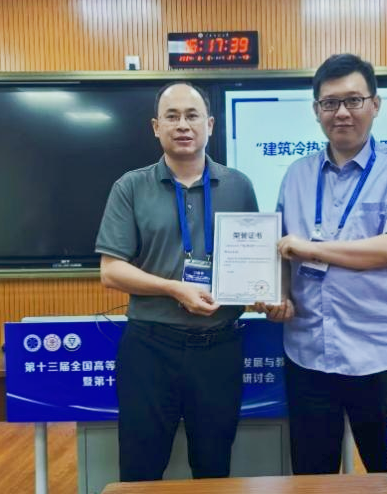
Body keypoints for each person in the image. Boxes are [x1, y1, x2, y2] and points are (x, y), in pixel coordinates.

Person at [258, 54, 387, 474]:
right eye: (330, 103)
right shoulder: (296, 175)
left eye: (353, 100)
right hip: (309, 353)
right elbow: (280, 250)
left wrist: (312, 249)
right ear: (316, 110)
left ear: (375, 104)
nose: (341, 113)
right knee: (311, 475)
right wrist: (279, 294)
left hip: (382, 353)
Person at [95, 81, 258, 481]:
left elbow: (254, 261)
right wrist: (173, 288)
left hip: (219, 347)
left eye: (192, 116)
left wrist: (264, 291)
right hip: (151, 347)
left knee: (214, 467)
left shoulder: (238, 186)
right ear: (156, 127)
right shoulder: (130, 186)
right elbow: (111, 270)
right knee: (141, 468)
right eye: (172, 116)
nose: (183, 125)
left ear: (210, 125)